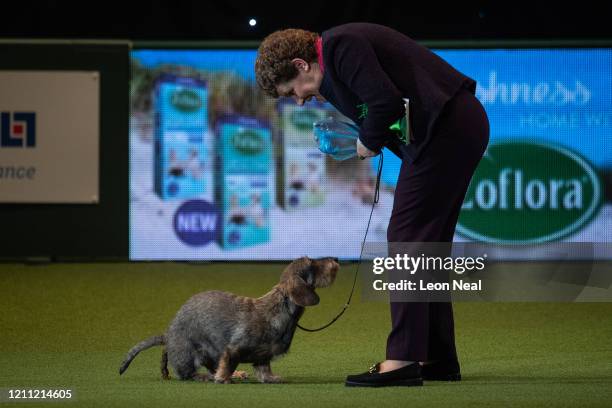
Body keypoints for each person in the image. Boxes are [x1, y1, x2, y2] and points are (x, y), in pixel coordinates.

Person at [255, 22, 489, 387]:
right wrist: (365, 134)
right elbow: (383, 106)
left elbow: (386, 103)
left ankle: (403, 360)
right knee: (427, 246)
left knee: (406, 238)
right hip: (451, 129)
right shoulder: (333, 64)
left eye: (293, 91)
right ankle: (438, 358)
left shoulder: (339, 47)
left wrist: (367, 142)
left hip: (447, 131)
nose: (299, 100)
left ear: (301, 64)